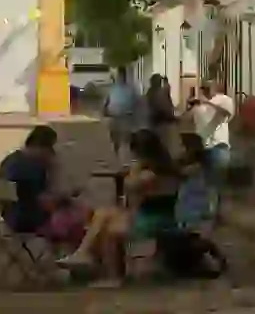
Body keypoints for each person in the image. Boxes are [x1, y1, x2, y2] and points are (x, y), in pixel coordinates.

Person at [0, 126, 122, 286]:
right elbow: (47, 204)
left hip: (11, 217)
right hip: (31, 221)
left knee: (86, 216)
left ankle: (82, 264)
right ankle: (89, 268)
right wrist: (67, 196)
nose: (53, 154)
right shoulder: (32, 167)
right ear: (42, 147)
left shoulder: (10, 160)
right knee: (89, 222)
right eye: (51, 149)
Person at [57, 129, 183, 285]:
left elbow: (130, 186)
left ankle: (108, 274)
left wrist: (135, 169)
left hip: (153, 220)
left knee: (108, 225)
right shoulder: (167, 169)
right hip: (158, 216)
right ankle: (85, 255)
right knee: (104, 215)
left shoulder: (149, 174)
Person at [190, 81, 234, 218]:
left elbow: (226, 113)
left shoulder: (223, 100)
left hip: (219, 145)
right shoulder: (199, 106)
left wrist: (208, 103)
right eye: (203, 87)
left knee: (218, 182)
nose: (205, 90)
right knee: (207, 183)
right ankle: (211, 213)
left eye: (208, 87)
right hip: (203, 147)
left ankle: (218, 213)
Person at [102, 68, 140, 161]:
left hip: (126, 118)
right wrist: (105, 112)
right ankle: (118, 159)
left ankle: (125, 161)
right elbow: (106, 102)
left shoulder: (130, 89)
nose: (120, 77)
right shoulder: (111, 89)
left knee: (125, 141)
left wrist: (136, 119)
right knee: (115, 141)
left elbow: (137, 104)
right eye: (119, 76)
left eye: (121, 75)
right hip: (114, 117)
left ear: (124, 76)